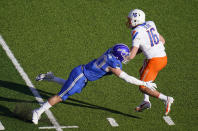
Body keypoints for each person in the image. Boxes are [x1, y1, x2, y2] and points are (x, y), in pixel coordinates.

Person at [32, 43, 157, 125]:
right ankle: (38, 111)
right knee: (60, 96)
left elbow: (122, 55)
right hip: (81, 76)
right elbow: (127, 78)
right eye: (124, 56)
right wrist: (143, 82)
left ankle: (51, 77)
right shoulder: (113, 65)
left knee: (68, 88)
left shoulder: (111, 52)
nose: (126, 58)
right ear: (118, 56)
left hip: (82, 74)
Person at [126, 9, 174, 115]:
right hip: (162, 57)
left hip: (154, 61)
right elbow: (162, 40)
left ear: (135, 20)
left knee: (143, 87)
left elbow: (132, 55)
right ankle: (146, 101)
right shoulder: (150, 23)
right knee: (142, 71)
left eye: (130, 20)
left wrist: (123, 58)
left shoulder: (136, 31)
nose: (128, 22)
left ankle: (166, 99)